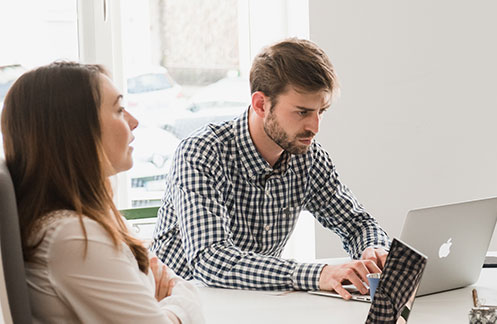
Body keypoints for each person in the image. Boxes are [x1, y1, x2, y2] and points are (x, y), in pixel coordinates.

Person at [149, 38, 390, 300]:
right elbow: (211, 259)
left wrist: (373, 249)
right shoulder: (201, 153)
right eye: (302, 112)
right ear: (261, 105)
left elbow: (357, 223)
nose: (315, 127)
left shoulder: (307, 156)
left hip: (257, 305)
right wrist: (317, 274)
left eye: (321, 111)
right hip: (182, 305)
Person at [2, 62, 203, 323]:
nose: (134, 122)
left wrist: (164, 303)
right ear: (77, 130)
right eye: (119, 110)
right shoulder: (74, 236)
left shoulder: (92, 219)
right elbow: (180, 295)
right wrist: (180, 305)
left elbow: (171, 281)